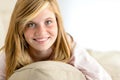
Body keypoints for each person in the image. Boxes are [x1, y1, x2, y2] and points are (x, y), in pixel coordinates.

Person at [0, 0, 112, 80]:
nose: (41, 32)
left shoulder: (69, 46)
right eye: (31, 24)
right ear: (19, 27)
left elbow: (102, 77)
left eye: (48, 22)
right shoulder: (9, 54)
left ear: (58, 22)